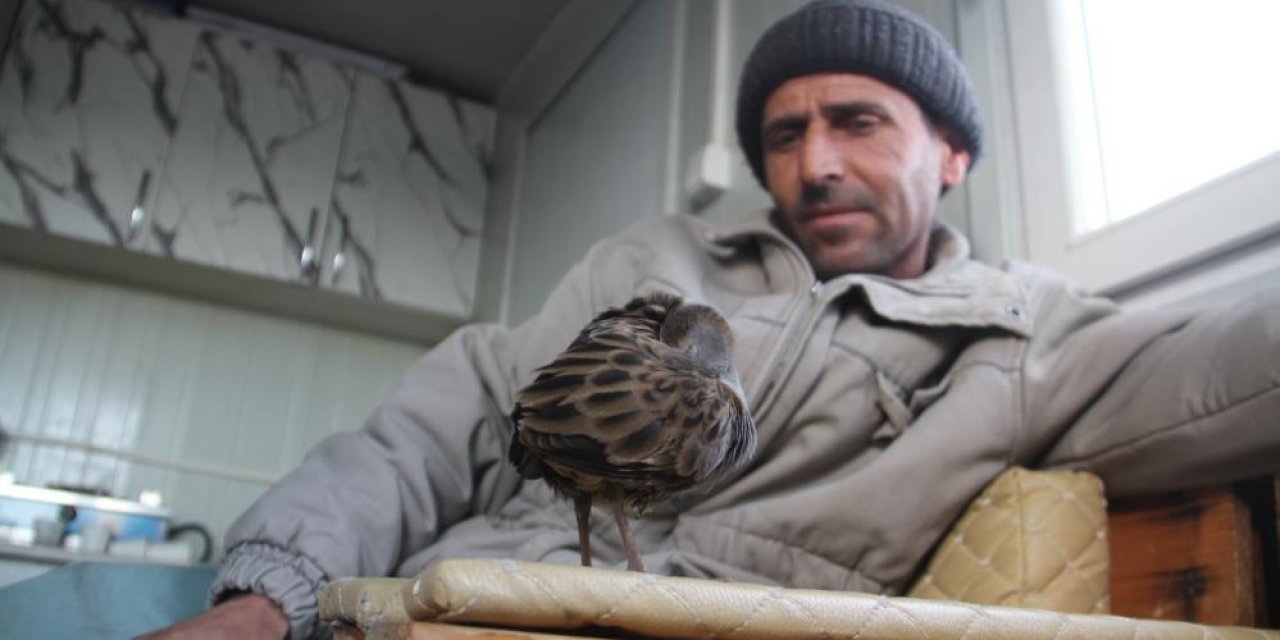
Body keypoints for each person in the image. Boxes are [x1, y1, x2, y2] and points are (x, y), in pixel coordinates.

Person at [143, 0, 1280, 637]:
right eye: (783, 136)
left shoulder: (1020, 334)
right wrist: (266, 594)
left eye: (855, 122)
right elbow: (444, 424)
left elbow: (1224, 370)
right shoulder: (653, 259)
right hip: (438, 606)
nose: (815, 162)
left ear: (951, 151)